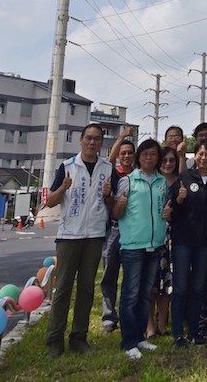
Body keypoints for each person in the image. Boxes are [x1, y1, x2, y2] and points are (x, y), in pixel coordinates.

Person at [44, 123, 115, 358]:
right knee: (63, 288)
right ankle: (55, 339)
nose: (92, 143)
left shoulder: (108, 168)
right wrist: (63, 187)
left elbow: (112, 206)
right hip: (69, 236)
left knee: (86, 288)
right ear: (81, 140)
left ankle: (79, 337)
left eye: (97, 139)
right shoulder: (67, 167)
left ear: (102, 143)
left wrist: (108, 196)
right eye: (88, 138)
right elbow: (51, 201)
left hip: (94, 235)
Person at [114, 138, 168, 360]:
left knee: (145, 295)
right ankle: (128, 342)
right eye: (145, 154)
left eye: (153, 154)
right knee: (130, 295)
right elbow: (116, 215)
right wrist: (119, 205)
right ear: (139, 157)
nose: (149, 158)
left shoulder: (161, 182)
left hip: (155, 245)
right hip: (133, 246)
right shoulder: (128, 181)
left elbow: (164, 209)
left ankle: (139, 337)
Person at [165, 139, 207, 348]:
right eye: (200, 154)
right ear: (194, 156)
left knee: (199, 287)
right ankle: (178, 334)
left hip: (205, 242)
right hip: (183, 241)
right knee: (181, 288)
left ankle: (195, 331)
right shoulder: (184, 178)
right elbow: (172, 210)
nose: (203, 158)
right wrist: (179, 200)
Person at [101, 128, 136, 333]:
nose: (126, 156)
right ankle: (108, 316)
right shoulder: (114, 174)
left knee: (131, 276)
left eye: (130, 152)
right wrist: (122, 137)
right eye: (123, 153)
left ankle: (128, 315)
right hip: (114, 230)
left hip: (134, 231)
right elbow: (110, 158)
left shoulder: (140, 174)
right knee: (109, 273)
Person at [147, 145, 182, 338]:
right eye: (164, 160)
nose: (168, 163)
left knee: (167, 283)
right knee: (151, 284)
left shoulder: (180, 182)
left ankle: (162, 324)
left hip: (173, 238)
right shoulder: (152, 181)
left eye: (172, 160)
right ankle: (150, 326)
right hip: (153, 236)